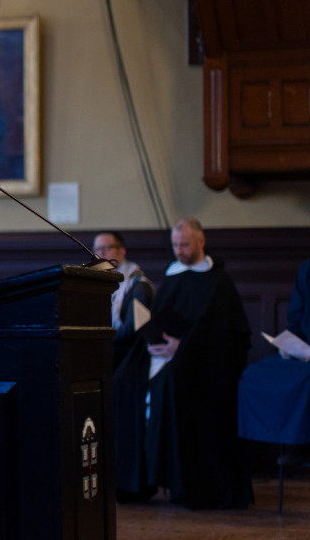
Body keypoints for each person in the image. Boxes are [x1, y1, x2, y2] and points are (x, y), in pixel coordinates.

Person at [114, 218, 253, 509]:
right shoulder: (173, 275)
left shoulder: (218, 281)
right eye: (175, 245)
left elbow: (228, 332)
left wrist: (184, 346)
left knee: (169, 383)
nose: (179, 250)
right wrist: (153, 338)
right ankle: (133, 483)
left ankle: (181, 483)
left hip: (202, 359)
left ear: (201, 243)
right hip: (162, 351)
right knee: (124, 379)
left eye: (185, 244)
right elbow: (162, 316)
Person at [238, 199, 310, 466]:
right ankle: (294, 443)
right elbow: (296, 321)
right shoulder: (308, 269)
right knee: (256, 374)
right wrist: (290, 345)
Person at [92, 231, 155, 369]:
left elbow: (134, 329)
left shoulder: (139, 286)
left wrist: (95, 338)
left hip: (128, 360)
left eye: (107, 248)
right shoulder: (93, 284)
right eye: (97, 249)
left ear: (122, 251)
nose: (101, 253)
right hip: (104, 353)